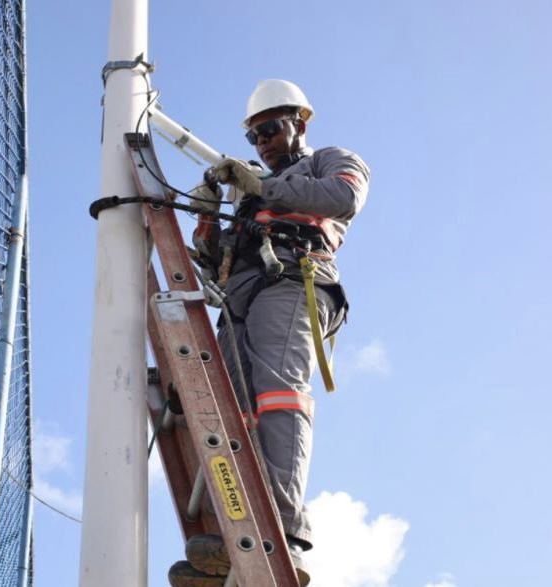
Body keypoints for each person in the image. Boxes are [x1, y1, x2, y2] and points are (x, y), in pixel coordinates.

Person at [168, 79, 370, 587]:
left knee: (278, 394)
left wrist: (261, 186)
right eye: (254, 136)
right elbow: (214, 259)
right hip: (240, 295)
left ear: (299, 123)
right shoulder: (248, 195)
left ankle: (283, 529)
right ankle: (233, 533)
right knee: (231, 410)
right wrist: (208, 213)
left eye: (271, 129)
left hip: (293, 279)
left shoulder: (328, 161)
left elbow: (343, 197)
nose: (262, 142)